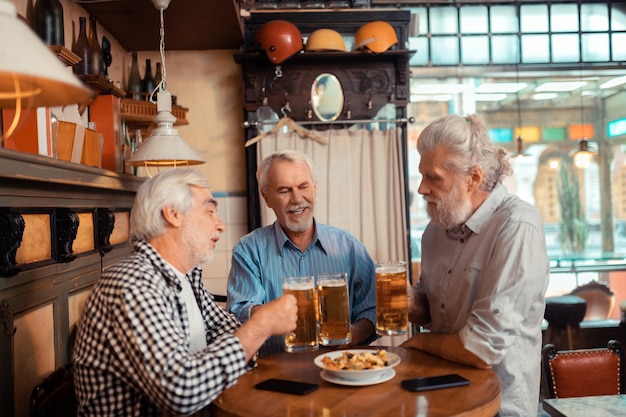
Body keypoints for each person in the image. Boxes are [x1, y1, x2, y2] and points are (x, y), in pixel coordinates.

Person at [72, 169, 297, 417]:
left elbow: (227, 330)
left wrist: (247, 336)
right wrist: (260, 326)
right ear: (173, 214)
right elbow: (180, 390)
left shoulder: (187, 275)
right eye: (210, 212)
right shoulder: (131, 283)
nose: (221, 225)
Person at [402, 114, 550, 416]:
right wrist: (410, 303)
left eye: (433, 177)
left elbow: (482, 349)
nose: (421, 188)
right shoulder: (434, 231)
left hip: (500, 407)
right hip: (443, 400)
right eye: (421, 175)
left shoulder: (517, 227)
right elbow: (433, 311)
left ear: (474, 178)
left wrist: (419, 343)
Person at [227, 149, 377, 356]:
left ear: (314, 189)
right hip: (274, 372)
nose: (297, 199)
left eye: (303, 186)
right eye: (284, 190)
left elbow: (373, 309)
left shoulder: (348, 245)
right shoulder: (248, 250)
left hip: (338, 369)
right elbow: (238, 312)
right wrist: (273, 316)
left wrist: (354, 334)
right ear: (267, 197)